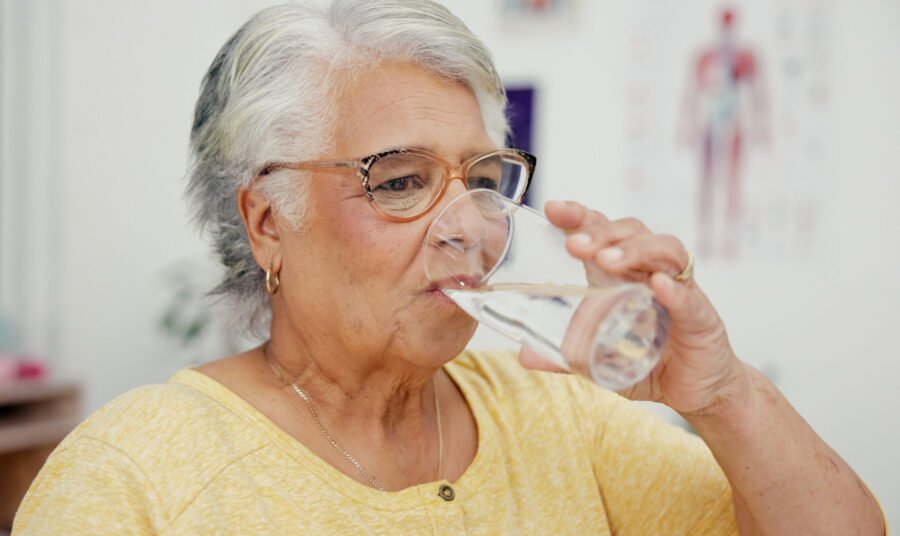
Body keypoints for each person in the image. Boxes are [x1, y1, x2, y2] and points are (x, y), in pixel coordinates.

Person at [13, 1, 886, 534]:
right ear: (268, 221)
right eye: (400, 181)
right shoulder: (131, 476)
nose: (466, 226)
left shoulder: (560, 418)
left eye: (481, 180)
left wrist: (724, 393)